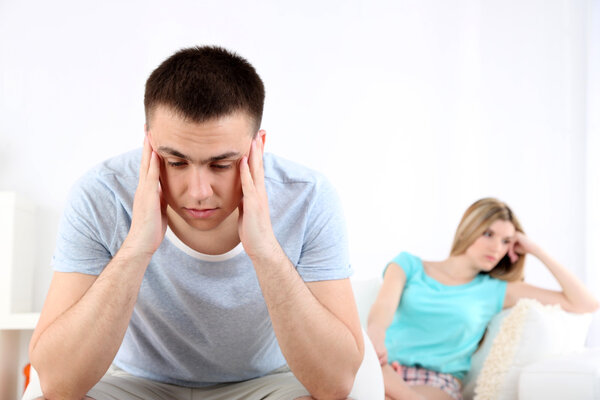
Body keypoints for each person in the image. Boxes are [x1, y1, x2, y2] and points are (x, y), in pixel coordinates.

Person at [28, 46, 364, 400]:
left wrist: (265, 251)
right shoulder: (101, 194)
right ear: (149, 144)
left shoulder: (308, 198)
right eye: (175, 162)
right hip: (134, 382)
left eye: (222, 165)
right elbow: (57, 383)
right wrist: (135, 250)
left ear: (257, 147)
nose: (199, 192)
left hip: (266, 383)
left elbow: (336, 383)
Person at [367, 197, 599, 400]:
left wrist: (536, 250)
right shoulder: (408, 265)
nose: (497, 247)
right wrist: (375, 338)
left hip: (437, 383)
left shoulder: (497, 290)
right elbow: (383, 307)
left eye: (506, 241)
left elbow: (586, 303)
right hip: (385, 369)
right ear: (468, 229)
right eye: (488, 234)